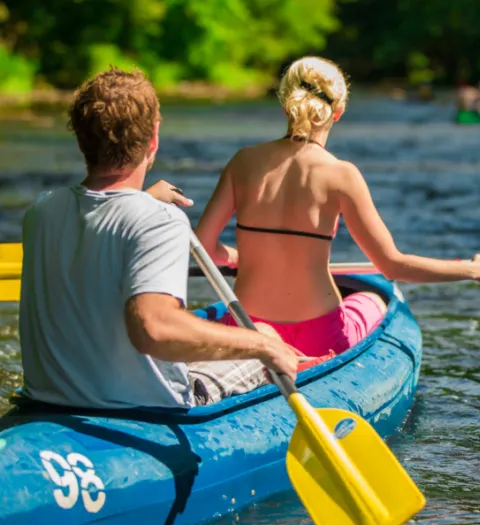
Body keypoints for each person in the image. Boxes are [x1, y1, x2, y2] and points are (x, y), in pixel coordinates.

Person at [19, 68, 300, 409]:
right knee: (266, 336)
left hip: (50, 404)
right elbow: (153, 329)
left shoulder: (42, 211)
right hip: (149, 409)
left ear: (80, 140)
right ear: (153, 138)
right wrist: (263, 346)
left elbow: (99, 222)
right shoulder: (160, 221)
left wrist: (145, 203)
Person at [196, 56, 480, 362]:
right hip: (320, 336)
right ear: (338, 111)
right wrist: (472, 269)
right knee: (375, 298)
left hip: (248, 326)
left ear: (284, 102)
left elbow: (203, 248)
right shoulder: (342, 175)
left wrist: (236, 255)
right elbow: (392, 266)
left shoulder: (243, 162)